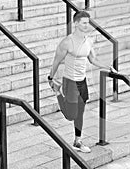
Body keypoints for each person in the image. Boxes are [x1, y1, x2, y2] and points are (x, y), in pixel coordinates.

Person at [48, 10, 117, 153]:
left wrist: (108, 67)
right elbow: (56, 60)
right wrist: (50, 77)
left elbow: (93, 59)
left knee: (80, 112)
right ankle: (57, 92)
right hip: (70, 81)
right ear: (76, 23)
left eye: (88, 23)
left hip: (82, 81)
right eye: (84, 23)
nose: (87, 25)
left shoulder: (88, 40)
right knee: (70, 115)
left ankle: (77, 141)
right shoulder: (67, 42)